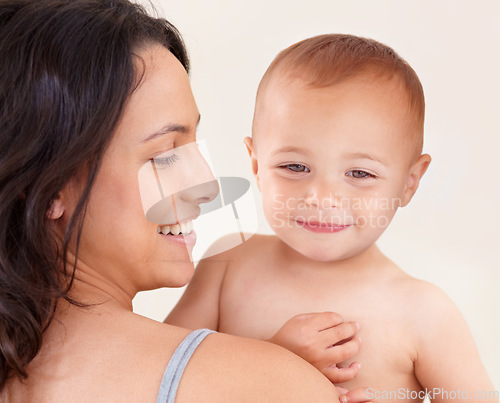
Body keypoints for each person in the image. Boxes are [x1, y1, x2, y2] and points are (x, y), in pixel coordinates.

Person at [0, 2, 355, 401]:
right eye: (165, 153)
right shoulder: (267, 383)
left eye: (192, 146)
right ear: (49, 189)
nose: (207, 185)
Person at [167, 34, 498, 400]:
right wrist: (273, 361)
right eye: (295, 166)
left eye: (359, 174)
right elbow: (159, 377)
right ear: (257, 165)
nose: (322, 198)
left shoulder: (425, 313)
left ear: (409, 182)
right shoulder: (227, 263)